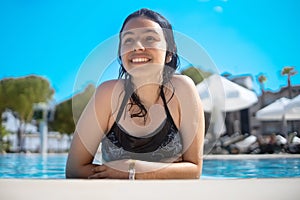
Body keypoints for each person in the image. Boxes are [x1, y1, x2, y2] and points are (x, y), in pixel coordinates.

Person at [66, 8, 205, 179]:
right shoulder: (107, 94)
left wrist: (132, 169)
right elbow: (74, 169)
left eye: (149, 38)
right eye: (129, 40)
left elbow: (194, 169)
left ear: (169, 52)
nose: (137, 47)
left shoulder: (182, 90)